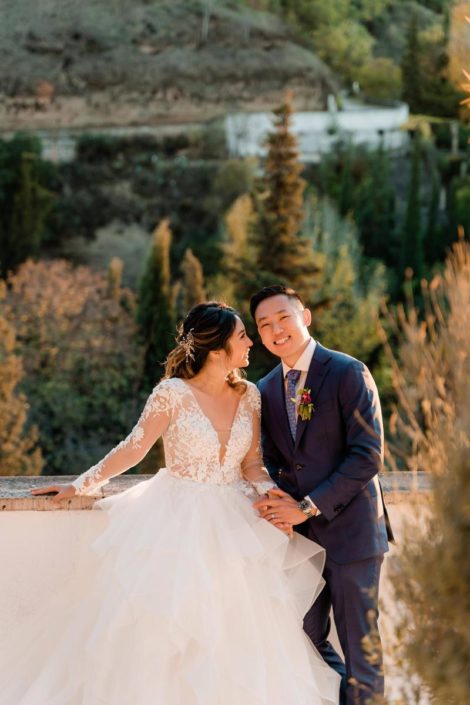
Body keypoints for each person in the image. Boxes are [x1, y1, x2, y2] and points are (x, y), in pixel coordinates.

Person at [1, 301, 339, 705]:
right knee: (166, 632)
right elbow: (134, 449)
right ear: (217, 349)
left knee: (235, 632)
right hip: (175, 522)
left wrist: (271, 494)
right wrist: (81, 484)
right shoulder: (172, 393)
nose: (252, 342)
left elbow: (251, 463)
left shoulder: (249, 395)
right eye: (242, 336)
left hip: (234, 525)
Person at [249, 285, 394, 705]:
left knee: (360, 647)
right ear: (259, 336)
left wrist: (306, 506)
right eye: (264, 325)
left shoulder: (347, 371)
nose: (276, 329)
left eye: (283, 318)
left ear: (305, 317)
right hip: (302, 542)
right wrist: (277, 502)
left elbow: (368, 455)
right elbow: (275, 460)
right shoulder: (267, 389)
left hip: (352, 536)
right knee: (305, 641)